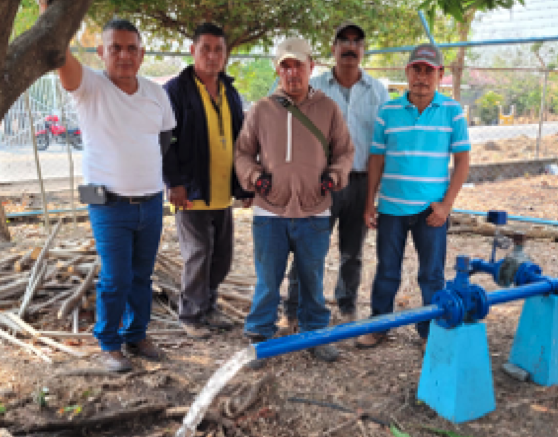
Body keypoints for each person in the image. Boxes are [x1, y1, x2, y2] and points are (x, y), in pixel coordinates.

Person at [43, 1, 177, 372]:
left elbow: (164, 140)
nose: (123, 55)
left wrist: (144, 175)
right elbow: (61, 59)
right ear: (101, 53)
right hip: (107, 203)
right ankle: (109, 343)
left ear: (142, 54)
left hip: (150, 203)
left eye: (131, 48)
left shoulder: (156, 93)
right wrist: (50, 16)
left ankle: (137, 334)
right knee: (115, 277)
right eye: (114, 48)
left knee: (141, 276)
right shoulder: (90, 86)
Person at [235, 37, 355, 367]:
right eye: (285, 66)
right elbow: (243, 153)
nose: (292, 73)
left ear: (310, 66)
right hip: (269, 211)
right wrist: (255, 177)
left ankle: (315, 333)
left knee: (311, 277)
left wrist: (335, 175)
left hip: (314, 211)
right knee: (267, 279)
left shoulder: (328, 108)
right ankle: (260, 336)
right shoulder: (261, 109)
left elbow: (345, 151)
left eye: (297, 65)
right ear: (277, 69)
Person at [355, 43, 471, 348]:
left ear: (440, 75)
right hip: (391, 206)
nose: (422, 77)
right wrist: (370, 202)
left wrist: (446, 205)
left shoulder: (452, 112)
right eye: (416, 70)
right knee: (386, 270)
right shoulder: (388, 111)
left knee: (432, 275)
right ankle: (380, 324)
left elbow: (462, 161)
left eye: (428, 71)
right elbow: (377, 159)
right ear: (407, 72)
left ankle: (429, 330)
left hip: (430, 211)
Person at [283, 21, 390, 329]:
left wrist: (375, 192)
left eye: (357, 42)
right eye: (343, 40)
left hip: (360, 182)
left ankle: (346, 304)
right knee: (307, 247)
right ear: (333, 49)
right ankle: (292, 308)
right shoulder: (313, 87)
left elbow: (383, 144)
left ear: (363, 50)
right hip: (320, 183)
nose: (350, 46)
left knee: (353, 252)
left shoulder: (377, 91)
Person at [163, 23, 254, 339]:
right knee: (199, 252)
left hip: (221, 192)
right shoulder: (176, 91)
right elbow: (166, 141)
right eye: (206, 49)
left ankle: (209, 305)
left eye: (219, 50)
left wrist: (244, 186)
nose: (212, 56)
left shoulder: (230, 91)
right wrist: (174, 182)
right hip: (191, 191)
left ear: (226, 55)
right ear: (193, 51)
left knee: (222, 256)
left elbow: (242, 142)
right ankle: (191, 315)